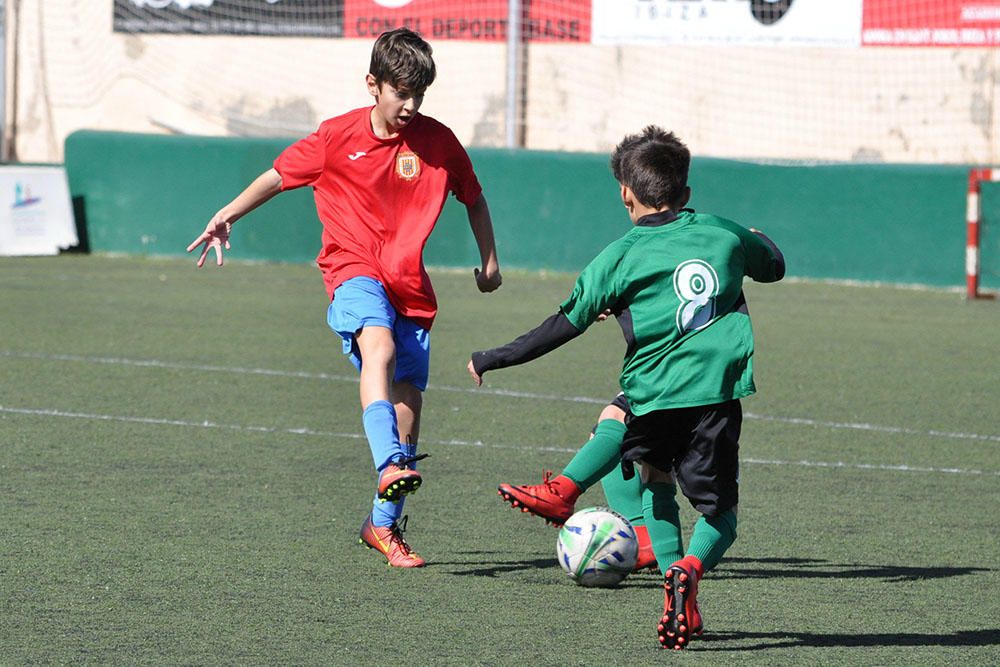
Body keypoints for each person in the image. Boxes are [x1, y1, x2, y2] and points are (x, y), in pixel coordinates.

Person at [187, 28, 502, 569]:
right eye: (400, 92)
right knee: (375, 347)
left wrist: (490, 260)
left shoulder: (440, 141)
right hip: (352, 269)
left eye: (418, 94)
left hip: (411, 285)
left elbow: (473, 197)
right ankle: (386, 465)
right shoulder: (336, 137)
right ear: (373, 86)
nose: (410, 105)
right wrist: (226, 214)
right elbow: (277, 176)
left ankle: (382, 527)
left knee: (408, 412)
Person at [468, 126, 784, 649]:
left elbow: (562, 325)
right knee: (720, 517)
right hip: (715, 393)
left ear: (624, 193)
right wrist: (759, 237)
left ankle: (659, 565)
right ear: (684, 194)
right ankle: (687, 571)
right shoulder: (723, 233)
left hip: (651, 395)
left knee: (655, 479)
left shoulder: (617, 256)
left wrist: (493, 357)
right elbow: (773, 265)